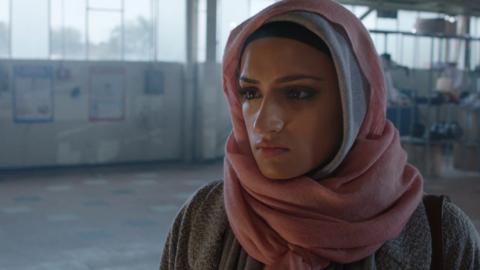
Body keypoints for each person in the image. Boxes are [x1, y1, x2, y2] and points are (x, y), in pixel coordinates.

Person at [160, 0, 480, 269]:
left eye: (298, 93)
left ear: (353, 103)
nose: (263, 123)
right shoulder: (204, 216)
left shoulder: (441, 233)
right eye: (250, 93)